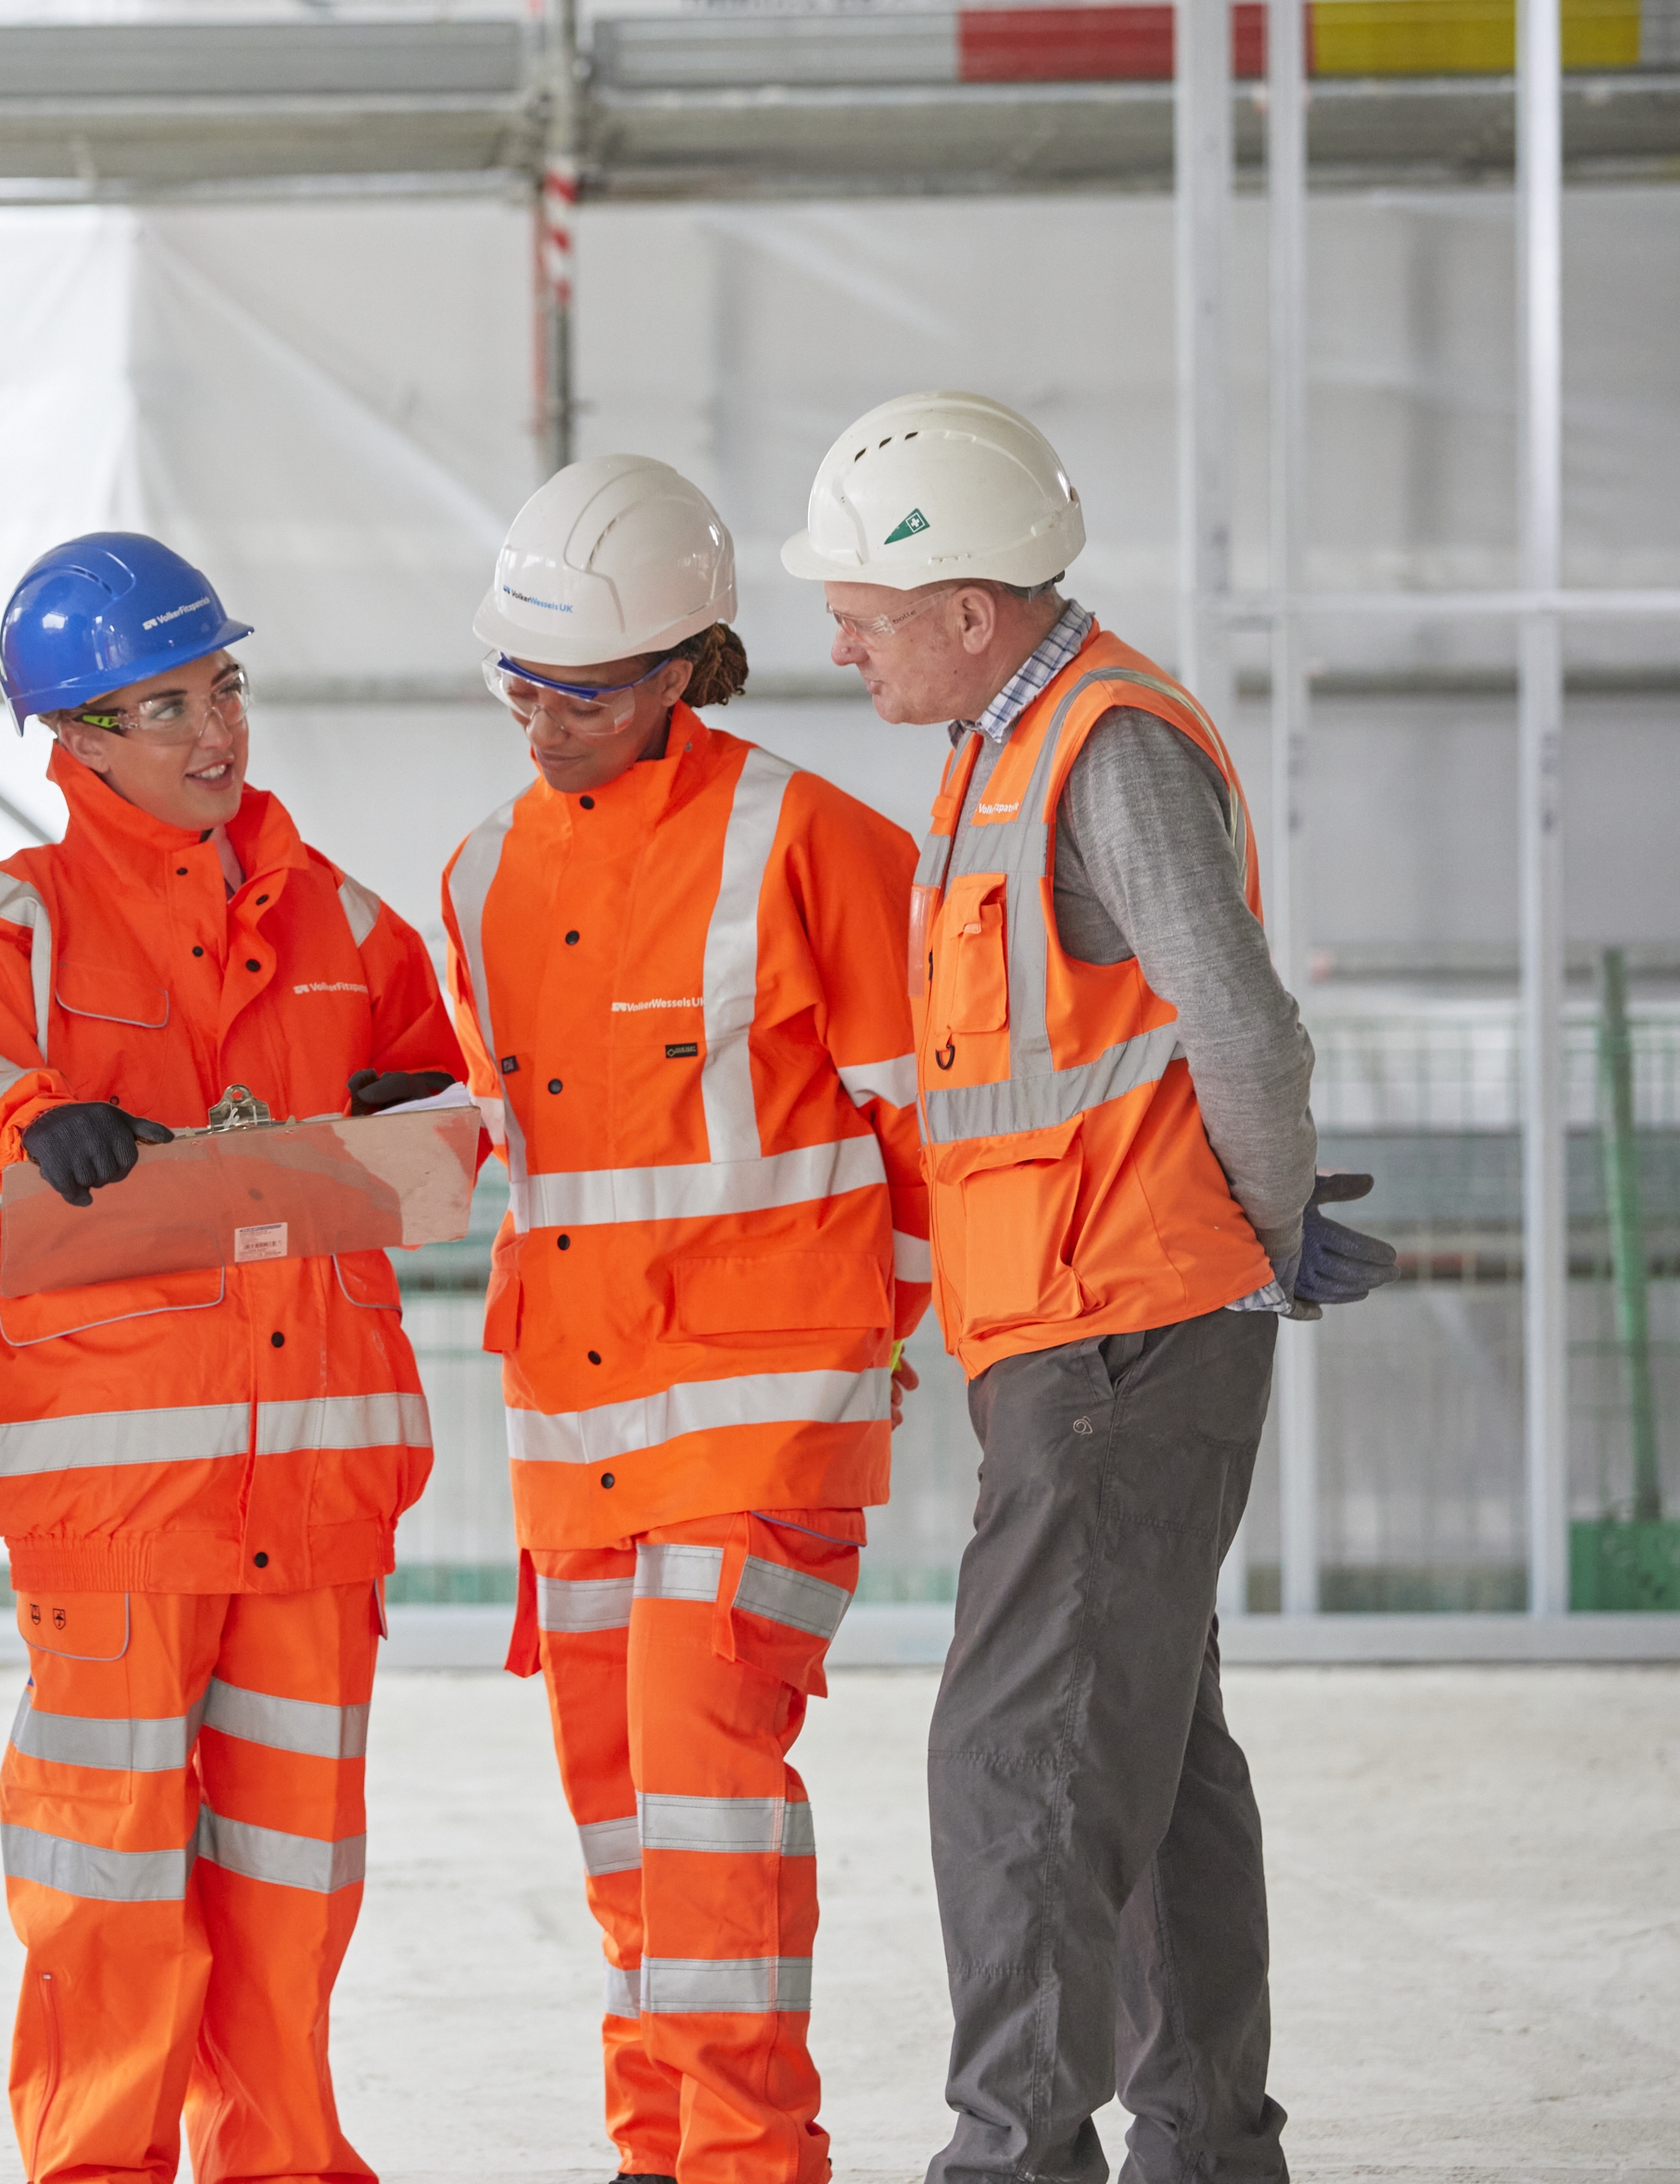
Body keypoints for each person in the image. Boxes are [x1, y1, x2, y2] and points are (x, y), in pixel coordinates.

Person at [779, 389, 1395, 2184]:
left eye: (865, 615)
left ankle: (1015, 2157)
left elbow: (1243, 1027)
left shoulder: (1101, 749)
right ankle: (1207, 2145)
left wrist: (1260, 1234)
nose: (841, 644)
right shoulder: (1005, 745)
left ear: (972, 611)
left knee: (1020, 1756)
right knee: (1149, 1754)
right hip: (1082, 1329)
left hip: (1124, 1332)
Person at [0, 533, 463, 2184]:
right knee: (110, 1880)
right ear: (73, 739)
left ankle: (287, 2162)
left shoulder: (346, 921)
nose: (214, 732)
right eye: (163, 708)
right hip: (121, 1507)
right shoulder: (10, 924)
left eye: (223, 689)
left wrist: (421, 1118)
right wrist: (22, 1120)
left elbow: (441, 1096)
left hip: (317, 1494)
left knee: (294, 1882)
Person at [436, 456, 930, 2184]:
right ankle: (656, 2151)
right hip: (573, 1428)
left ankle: (748, 2160)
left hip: (762, 1410)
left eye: (581, 691)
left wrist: (885, 1343)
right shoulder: (478, 875)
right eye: (520, 684)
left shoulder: (817, 845)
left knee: (705, 1783)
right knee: (620, 1808)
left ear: (683, 669)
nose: (544, 721)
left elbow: (924, 1139)